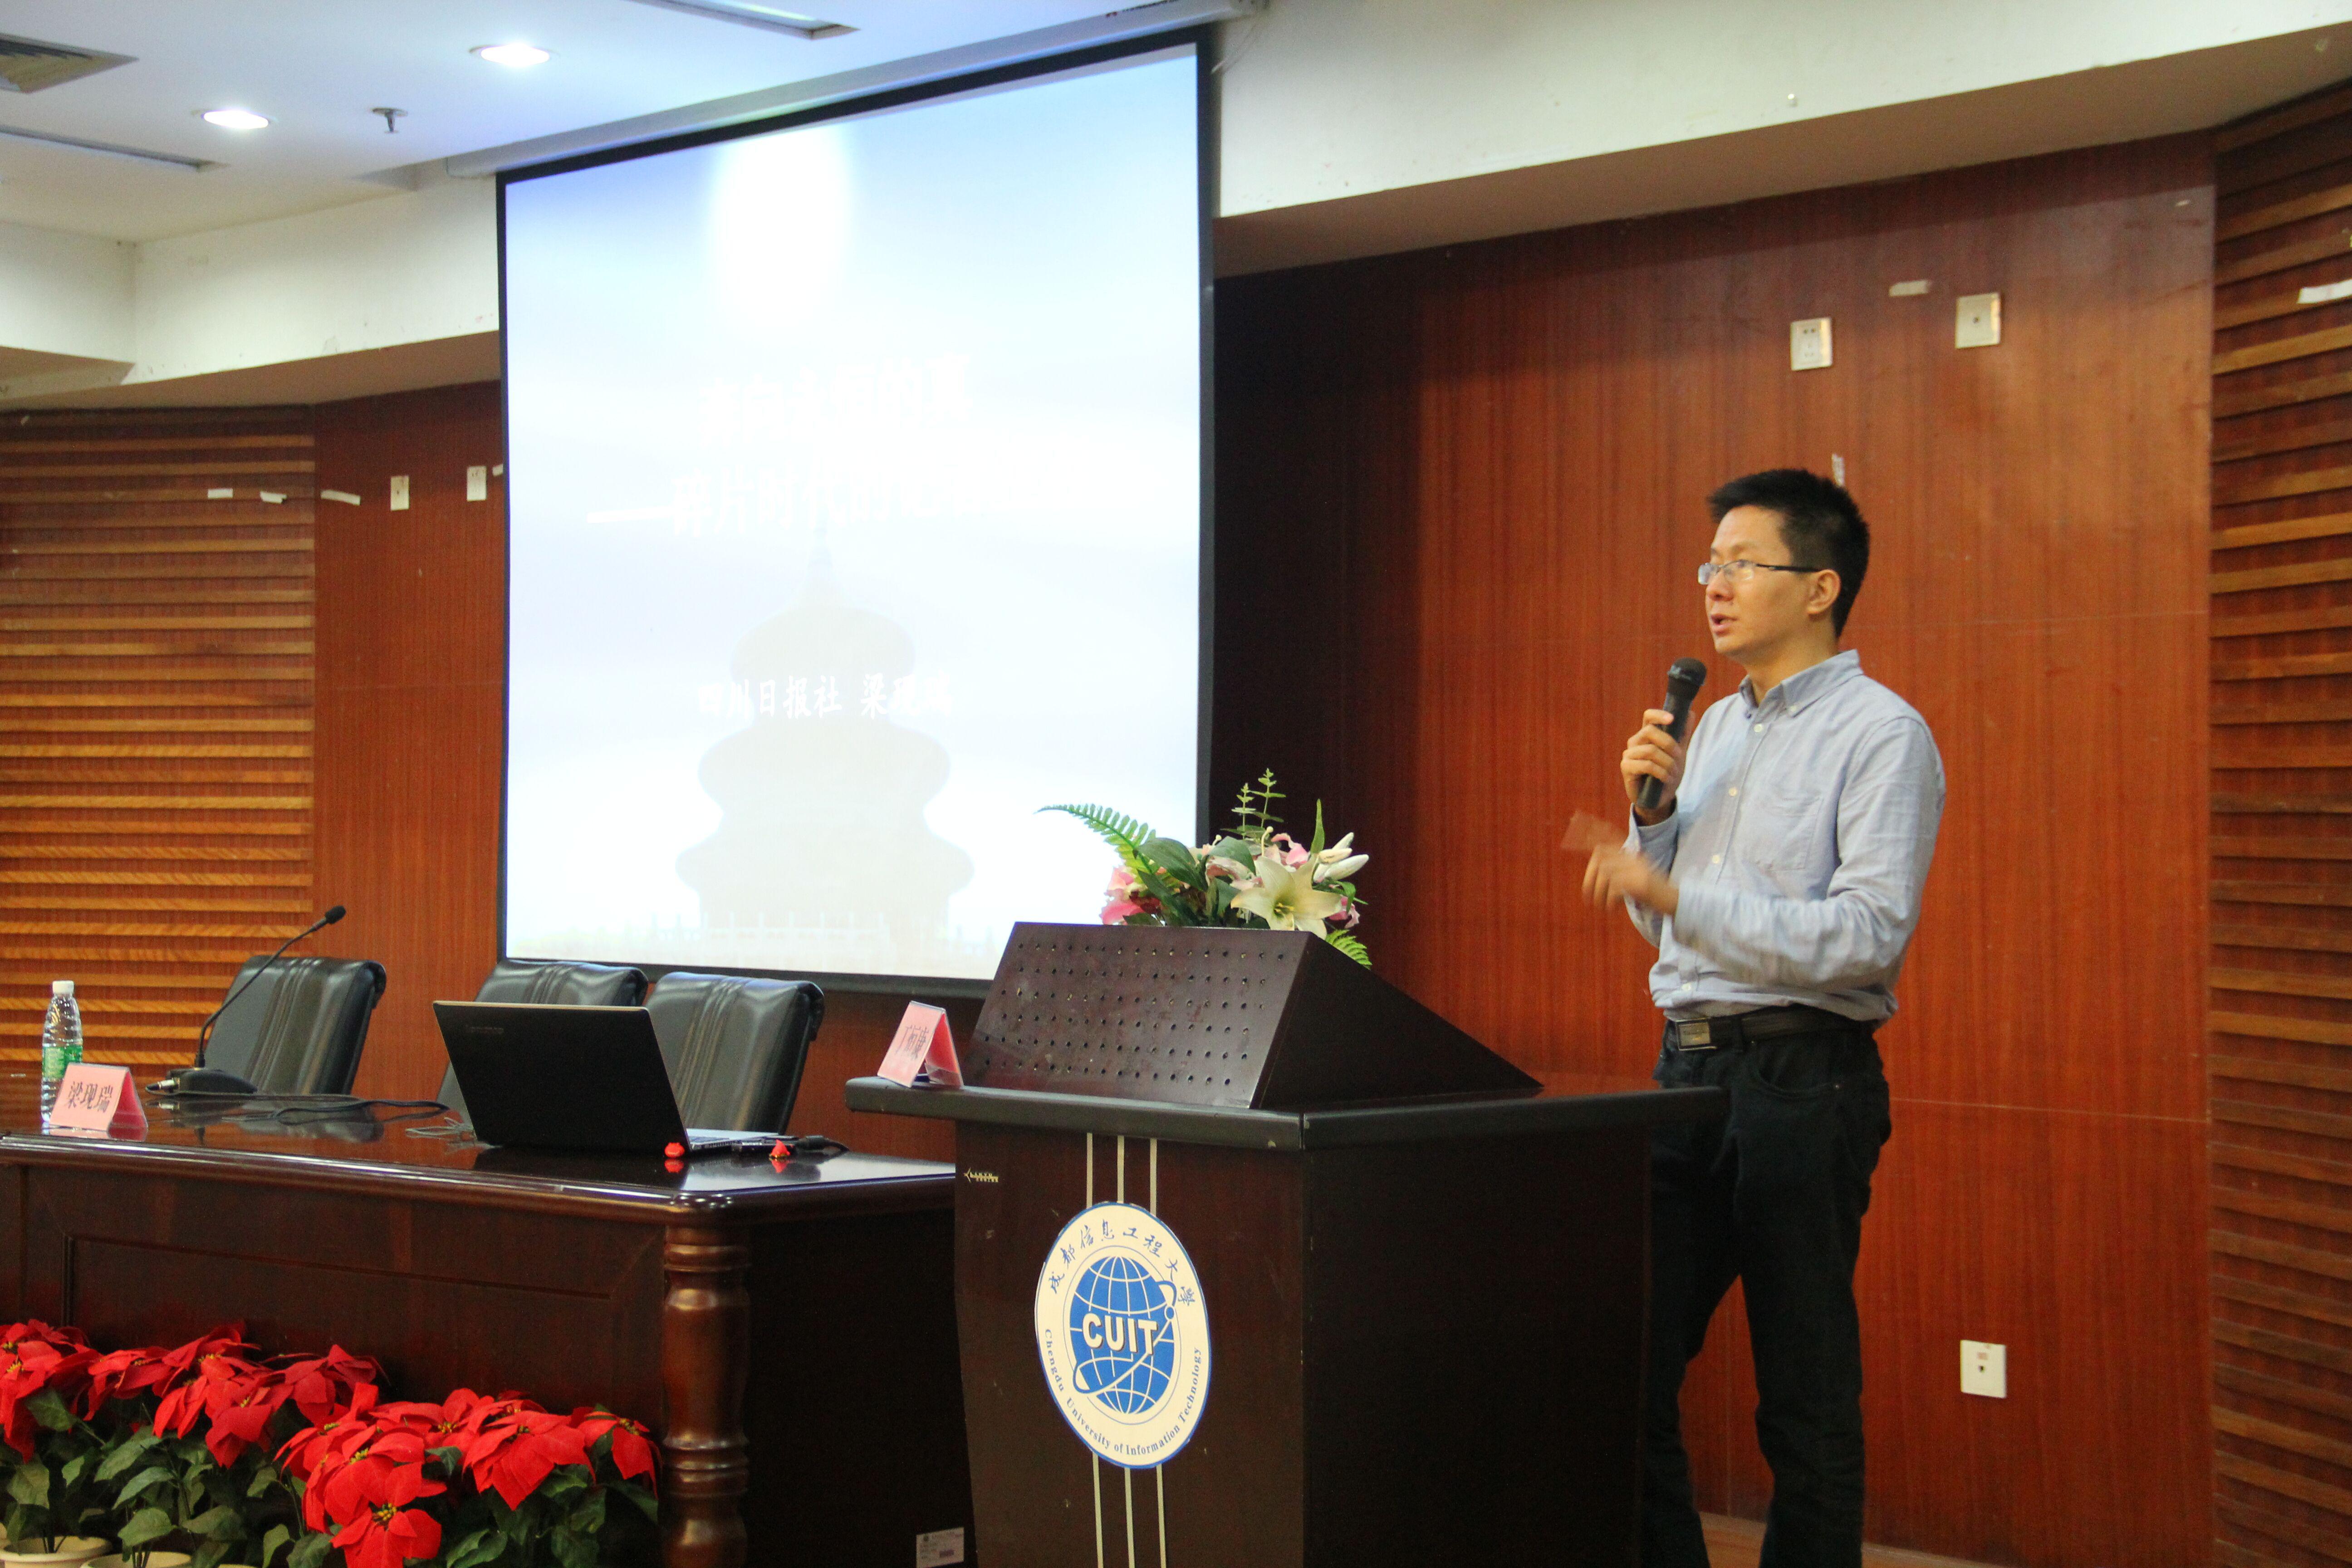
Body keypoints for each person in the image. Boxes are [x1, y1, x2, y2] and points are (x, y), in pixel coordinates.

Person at [1579, 469, 1945, 1568]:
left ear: (1821, 586)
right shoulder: (1715, 733)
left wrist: (1676, 890)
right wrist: (1653, 827)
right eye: (1712, 565)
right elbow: (1674, 934)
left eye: (1743, 564)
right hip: (1684, 1078)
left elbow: (1866, 936)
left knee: (1803, 1393)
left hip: (1804, 1080)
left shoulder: (1883, 735)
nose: (1716, 585)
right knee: (1622, 1363)